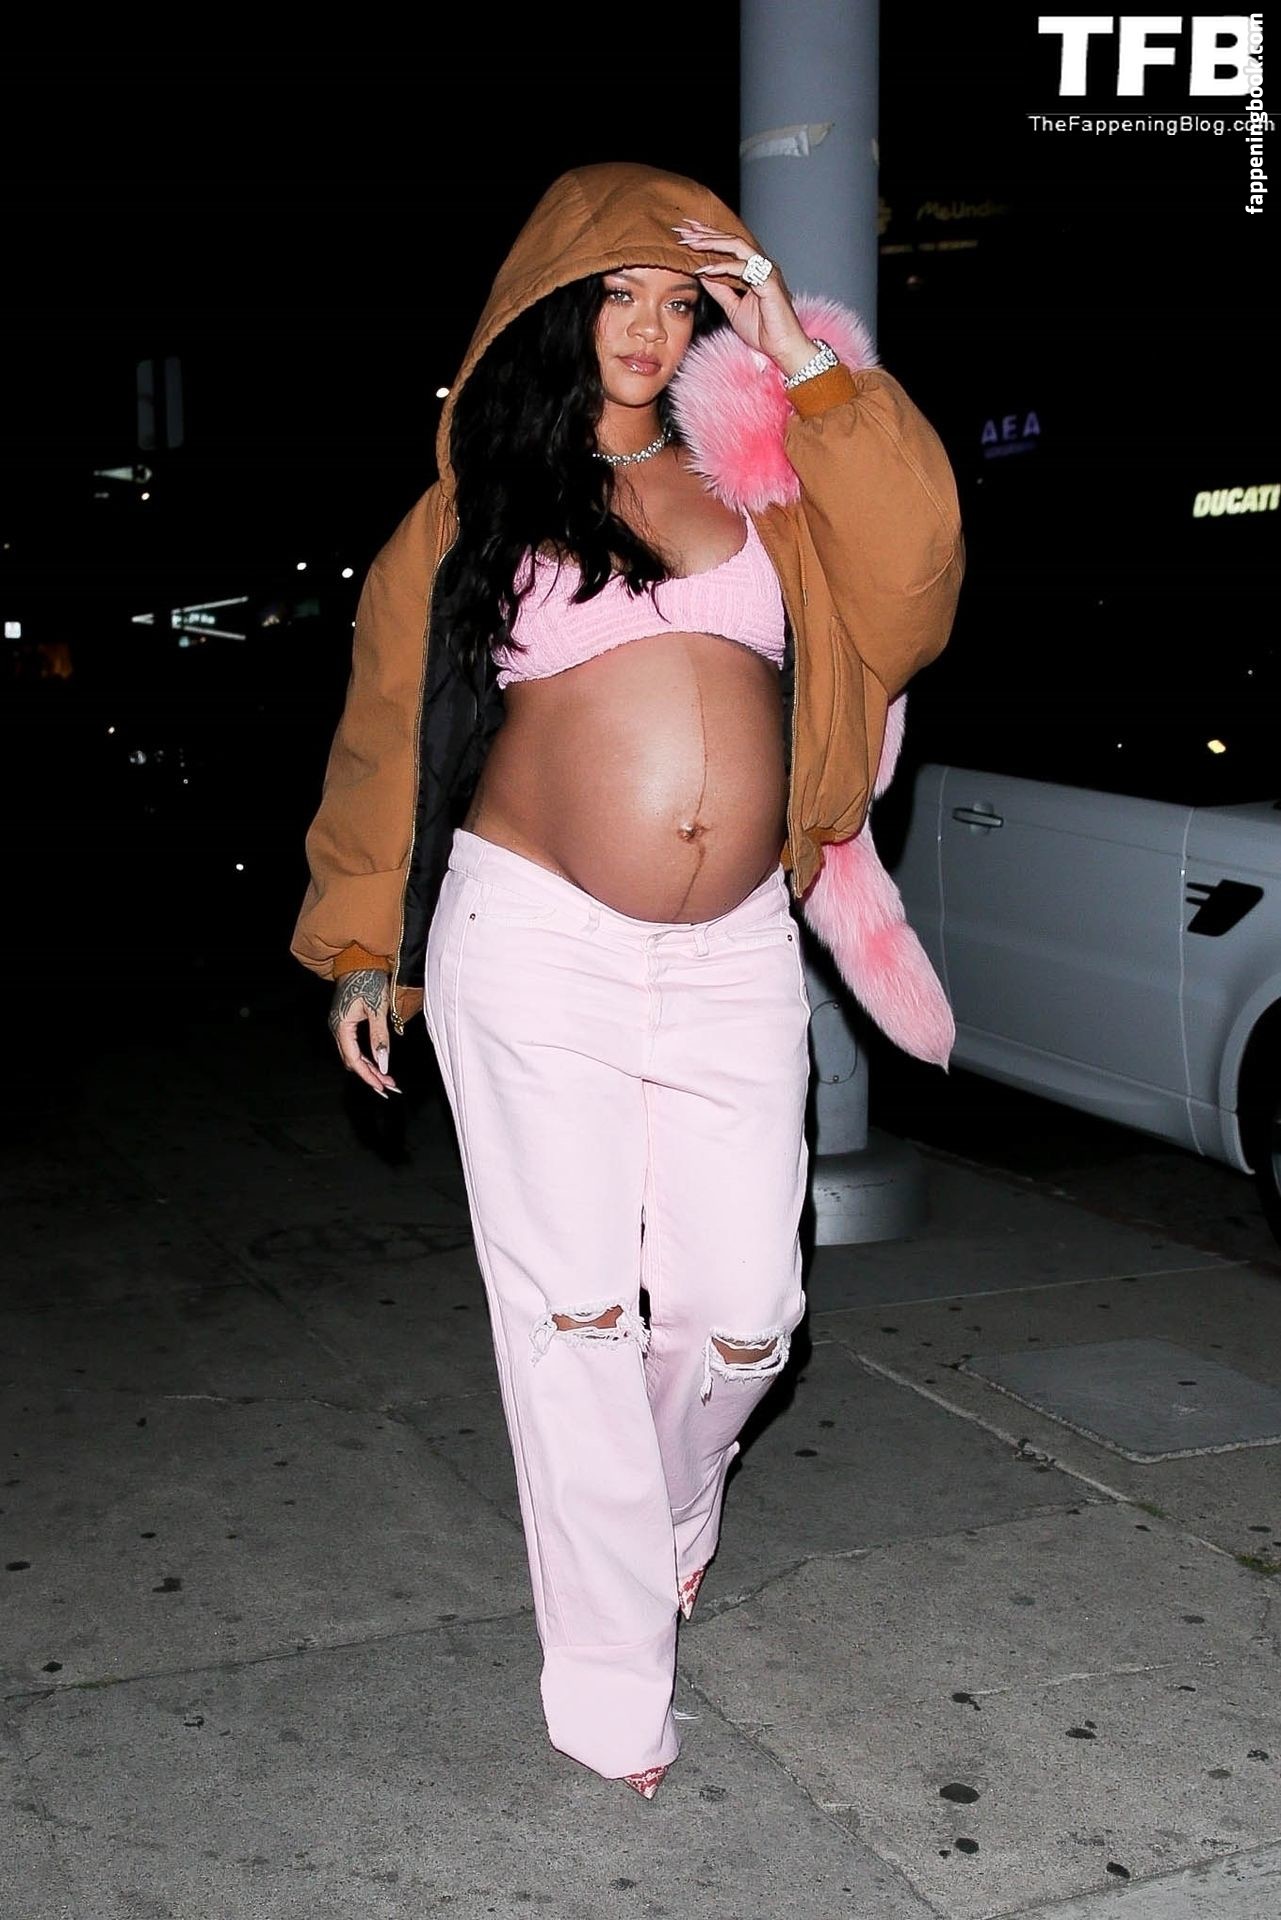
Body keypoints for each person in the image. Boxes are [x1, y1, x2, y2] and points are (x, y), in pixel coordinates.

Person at [291, 162, 962, 1799]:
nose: (651, 330)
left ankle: (663, 1507)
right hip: (531, 942)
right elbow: (385, 730)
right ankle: (608, 1685)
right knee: (575, 1318)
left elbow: (915, 591)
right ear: (549, 306)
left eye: (680, 301)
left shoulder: (767, 484)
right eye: (617, 296)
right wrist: (362, 941)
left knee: (748, 1316)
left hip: (731, 951)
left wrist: (801, 360)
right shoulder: (470, 507)